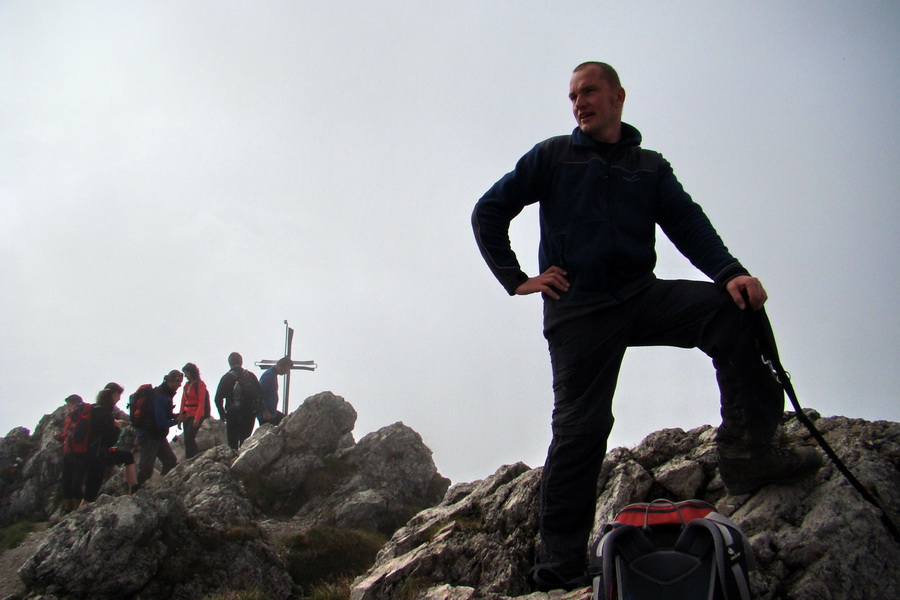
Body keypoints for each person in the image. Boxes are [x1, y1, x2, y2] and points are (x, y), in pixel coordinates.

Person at [471, 61, 823, 591]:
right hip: (579, 308)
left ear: (618, 96)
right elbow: (488, 211)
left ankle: (749, 450)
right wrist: (517, 278)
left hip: (638, 295)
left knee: (735, 308)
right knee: (580, 430)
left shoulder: (650, 167)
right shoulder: (553, 155)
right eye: (571, 96)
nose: (578, 103)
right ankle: (559, 564)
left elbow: (688, 222)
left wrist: (730, 273)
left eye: (588, 92)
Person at [82, 383, 138, 504]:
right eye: (118, 395)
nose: (119, 398)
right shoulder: (105, 413)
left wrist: (114, 422)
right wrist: (117, 428)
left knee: (127, 456)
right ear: (114, 395)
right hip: (98, 455)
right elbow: (110, 439)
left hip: (89, 452)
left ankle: (133, 487)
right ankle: (75, 517)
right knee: (92, 490)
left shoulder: (95, 409)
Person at [136, 370, 184, 486]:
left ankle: (161, 486)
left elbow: (164, 415)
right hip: (149, 436)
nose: (180, 385)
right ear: (171, 382)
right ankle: (130, 491)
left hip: (157, 436)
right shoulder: (161, 396)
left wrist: (176, 416)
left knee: (170, 461)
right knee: (146, 470)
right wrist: (177, 420)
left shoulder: (165, 394)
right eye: (178, 382)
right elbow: (161, 422)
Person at [214, 352, 261, 450]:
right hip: (249, 414)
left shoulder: (226, 378)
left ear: (229, 363)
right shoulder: (251, 376)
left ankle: (233, 462)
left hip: (233, 415)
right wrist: (256, 411)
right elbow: (260, 394)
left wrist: (223, 415)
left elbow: (218, 398)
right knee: (245, 443)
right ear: (241, 362)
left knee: (232, 444)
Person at [58, 394, 89, 512]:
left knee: (76, 483)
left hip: (80, 454)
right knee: (66, 481)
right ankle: (67, 508)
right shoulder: (69, 418)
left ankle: (76, 509)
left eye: (69, 405)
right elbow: (67, 434)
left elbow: (80, 437)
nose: (67, 407)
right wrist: (61, 437)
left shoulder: (84, 418)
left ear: (76, 404)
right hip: (68, 453)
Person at [179, 363, 210, 459]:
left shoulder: (200, 385)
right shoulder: (186, 386)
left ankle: (196, 458)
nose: (185, 376)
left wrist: (197, 418)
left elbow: (201, 402)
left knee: (190, 438)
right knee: (186, 440)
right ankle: (189, 459)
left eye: (187, 373)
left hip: (195, 415)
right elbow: (183, 401)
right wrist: (180, 417)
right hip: (187, 415)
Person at [258, 356, 290, 426]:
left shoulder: (272, 374)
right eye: (285, 370)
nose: (286, 372)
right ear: (280, 366)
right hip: (266, 414)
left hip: (271, 412)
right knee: (287, 423)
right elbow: (260, 394)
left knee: (287, 421)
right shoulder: (268, 376)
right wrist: (265, 411)